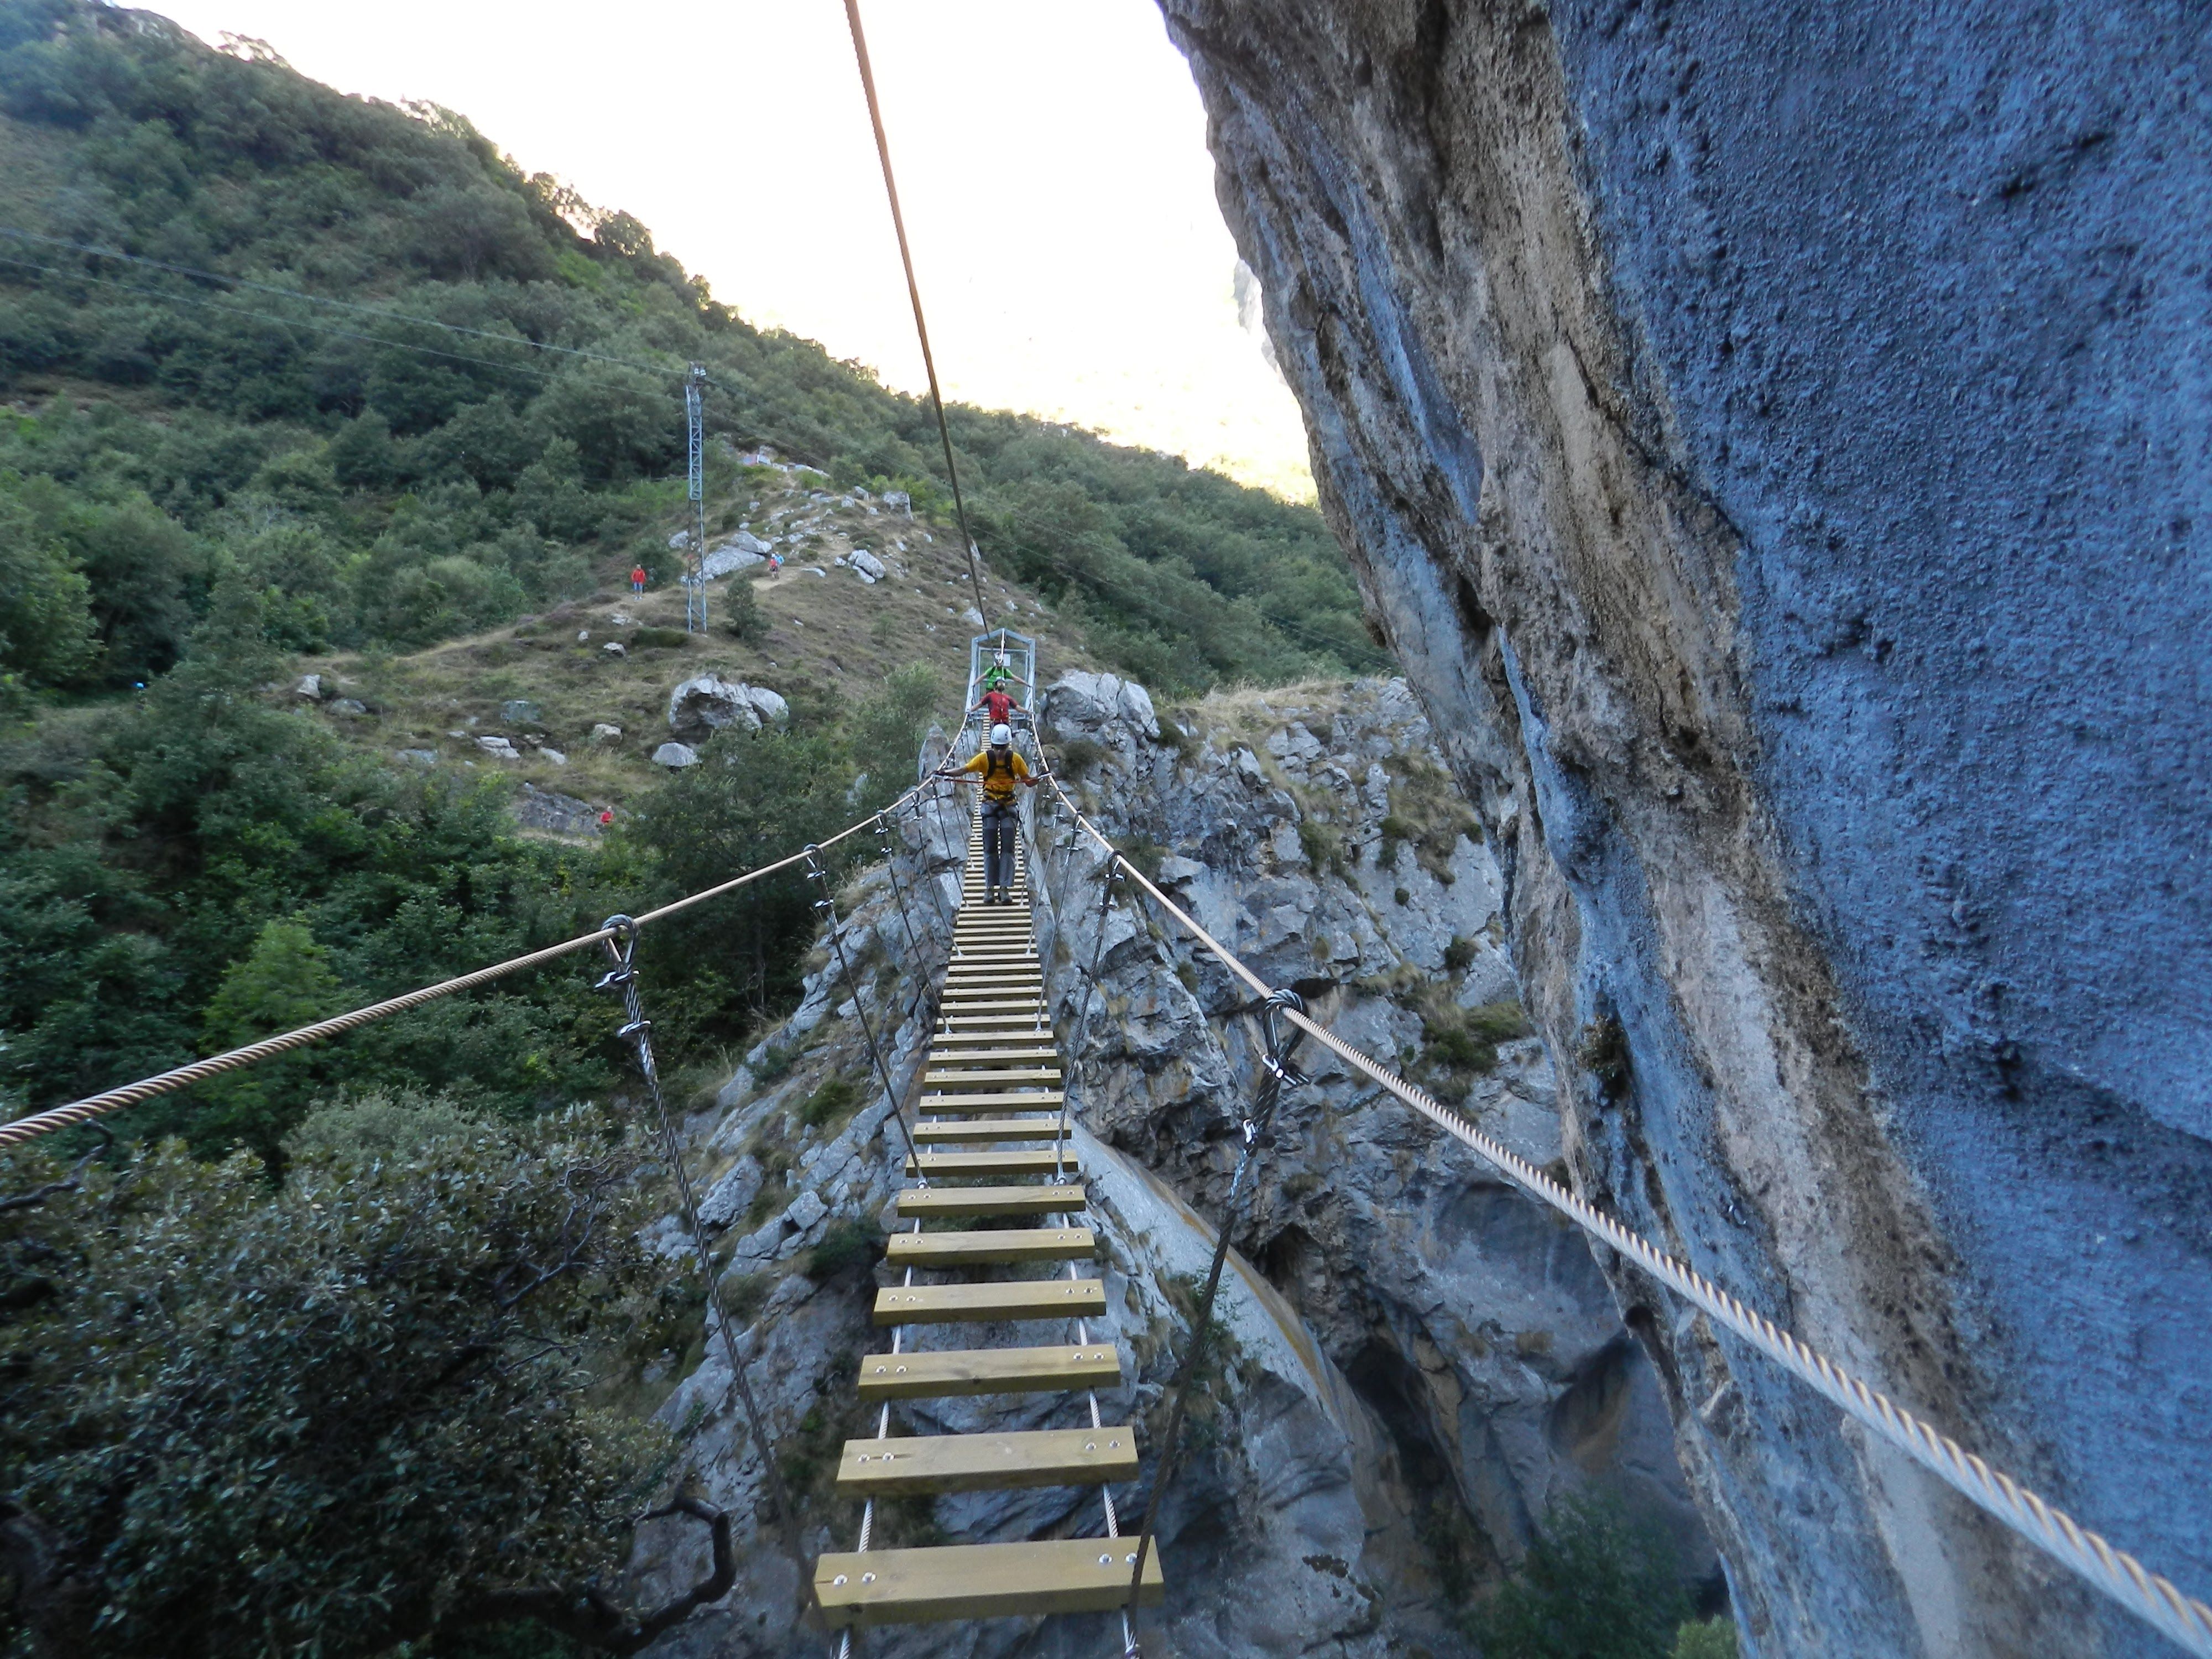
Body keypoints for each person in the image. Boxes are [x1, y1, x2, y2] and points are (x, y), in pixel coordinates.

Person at [938, 723, 1036, 903]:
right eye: (997, 748)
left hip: (1008, 806)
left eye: (1002, 748)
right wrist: (944, 773)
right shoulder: (984, 759)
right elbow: (964, 770)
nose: (999, 752)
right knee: (990, 848)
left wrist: (1040, 778)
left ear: (1007, 746)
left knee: (1008, 848)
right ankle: (990, 889)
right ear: (992, 746)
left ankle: (1005, 890)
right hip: (990, 805)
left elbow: (1027, 781)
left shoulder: (1016, 760)